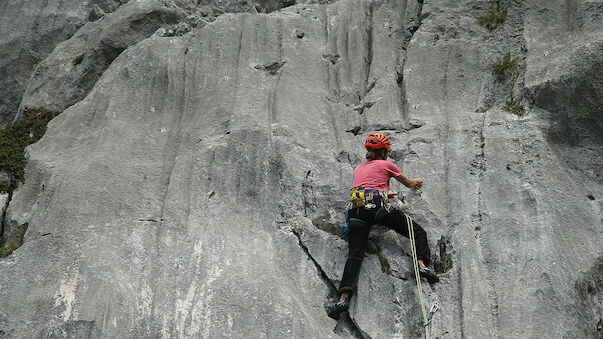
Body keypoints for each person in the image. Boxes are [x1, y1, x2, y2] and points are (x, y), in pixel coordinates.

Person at [326, 132, 439, 319]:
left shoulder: (358, 168)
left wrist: (387, 192)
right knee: (417, 231)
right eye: (386, 151)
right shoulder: (387, 164)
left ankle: (343, 299)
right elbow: (409, 183)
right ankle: (421, 265)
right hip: (377, 207)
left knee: (355, 254)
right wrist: (416, 182)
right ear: (383, 153)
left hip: (357, 211)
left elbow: (371, 184)